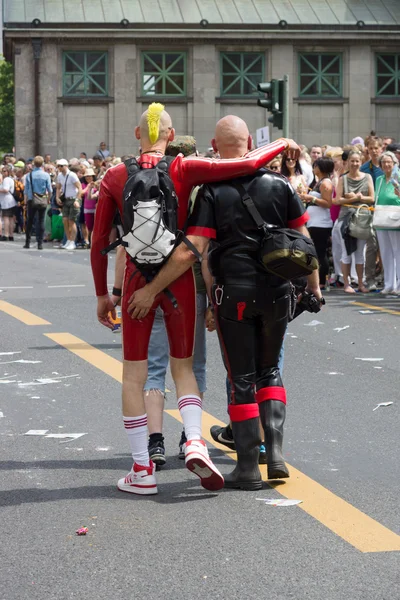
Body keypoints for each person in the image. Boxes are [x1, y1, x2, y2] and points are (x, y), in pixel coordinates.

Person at [90, 102, 297, 496]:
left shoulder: (114, 176)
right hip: (180, 280)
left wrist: (104, 294)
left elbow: (99, 242)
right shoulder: (183, 168)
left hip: (136, 279)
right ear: (171, 137)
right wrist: (281, 143)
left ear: (137, 135)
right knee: (184, 367)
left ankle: (142, 469)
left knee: (135, 374)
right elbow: (245, 165)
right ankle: (196, 441)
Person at [333, 150, 374, 293]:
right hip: (345, 220)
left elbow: (372, 198)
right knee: (346, 253)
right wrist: (350, 199)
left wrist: (357, 196)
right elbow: (337, 200)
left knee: (360, 254)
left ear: (361, 162)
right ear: (348, 162)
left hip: (362, 219)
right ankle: (346, 284)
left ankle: (361, 284)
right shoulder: (343, 179)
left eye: (357, 161)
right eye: (352, 161)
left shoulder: (367, 177)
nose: (355, 164)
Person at [300, 157, 334, 287]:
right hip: (314, 222)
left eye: (316, 166)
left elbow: (328, 203)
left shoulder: (326, 183)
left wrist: (311, 198)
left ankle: (321, 281)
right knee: (315, 251)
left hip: (321, 224)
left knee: (320, 251)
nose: (314, 169)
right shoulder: (319, 182)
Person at [374, 151, 400, 294]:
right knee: (385, 252)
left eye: (389, 162)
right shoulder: (379, 179)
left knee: (398, 252)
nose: (386, 165)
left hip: (396, 217)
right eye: (384, 162)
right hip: (382, 217)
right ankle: (389, 284)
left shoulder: (399, 177)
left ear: (394, 163)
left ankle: (399, 285)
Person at [361, 136, 384, 290]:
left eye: (376, 148)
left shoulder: (388, 165)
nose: (374, 151)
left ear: (381, 149)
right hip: (370, 211)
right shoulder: (364, 168)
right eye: (371, 148)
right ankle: (370, 278)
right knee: (372, 246)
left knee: (386, 247)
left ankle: (385, 276)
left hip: (387, 210)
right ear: (367, 150)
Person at [23, 156, 52, 250]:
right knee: (41, 220)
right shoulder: (46, 175)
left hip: (32, 200)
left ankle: (27, 242)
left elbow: (26, 190)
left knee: (30, 220)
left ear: (34, 164)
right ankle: (40, 243)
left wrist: (25, 201)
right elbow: (50, 189)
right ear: (42, 164)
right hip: (42, 199)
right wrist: (48, 199)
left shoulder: (29, 175)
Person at [56, 158, 82, 250]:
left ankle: (73, 241)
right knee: (65, 220)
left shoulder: (72, 175)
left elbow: (79, 187)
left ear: (66, 166)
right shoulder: (59, 176)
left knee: (72, 221)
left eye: (61, 166)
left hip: (73, 199)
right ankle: (69, 240)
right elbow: (58, 187)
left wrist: (77, 200)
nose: (59, 167)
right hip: (66, 200)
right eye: (58, 166)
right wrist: (57, 197)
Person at [0, 165, 16, 241]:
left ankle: (6, 235)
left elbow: (6, 189)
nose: (3, 172)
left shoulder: (6, 179)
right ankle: (11, 235)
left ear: (8, 172)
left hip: (7, 202)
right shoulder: (10, 179)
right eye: (2, 171)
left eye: (4, 171)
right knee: (11, 219)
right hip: (11, 201)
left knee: (6, 218)